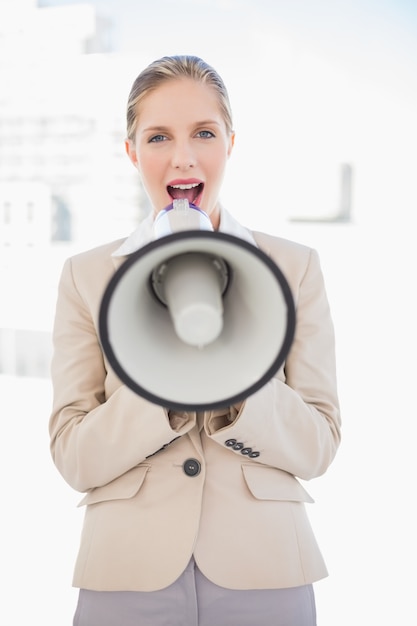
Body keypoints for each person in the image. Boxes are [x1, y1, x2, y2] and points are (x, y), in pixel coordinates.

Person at [49, 55, 341, 626]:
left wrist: (238, 378)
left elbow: (319, 445)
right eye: (158, 136)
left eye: (204, 133)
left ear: (230, 142)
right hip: (125, 571)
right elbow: (73, 456)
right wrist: (163, 383)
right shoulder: (86, 276)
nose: (183, 156)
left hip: (266, 568)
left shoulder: (294, 267)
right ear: (133, 152)